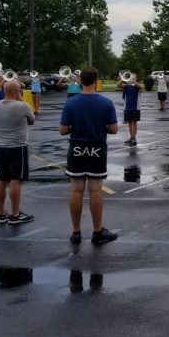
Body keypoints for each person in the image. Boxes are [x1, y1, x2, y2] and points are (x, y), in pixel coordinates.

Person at [58, 67, 119, 245]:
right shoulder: (106, 103)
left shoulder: (71, 102)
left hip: (77, 148)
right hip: (97, 148)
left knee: (76, 190)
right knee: (95, 190)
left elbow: (63, 130)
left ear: (80, 80)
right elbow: (114, 129)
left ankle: (76, 232)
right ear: (96, 80)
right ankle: (97, 231)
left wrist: (76, 127)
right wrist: (101, 127)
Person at [0, 81, 35, 225]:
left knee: (2, 180)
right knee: (16, 180)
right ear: (17, 92)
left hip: (1, 147)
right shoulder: (22, 106)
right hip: (18, 147)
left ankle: (0, 214)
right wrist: (21, 99)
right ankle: (15, 215)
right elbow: (32, 121)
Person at [117, 72, 143, 146]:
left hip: (135, 107)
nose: (132, 78)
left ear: (137, 79)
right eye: (131, 77)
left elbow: (141, 87)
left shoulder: (137, 86)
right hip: (127, 107)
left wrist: (134, 81)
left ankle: (134, 138)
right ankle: (131, 137)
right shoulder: (126, 86)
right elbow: (118, 85)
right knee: (129, 123)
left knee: (134, 123)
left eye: (134, 77)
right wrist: (123, 79)